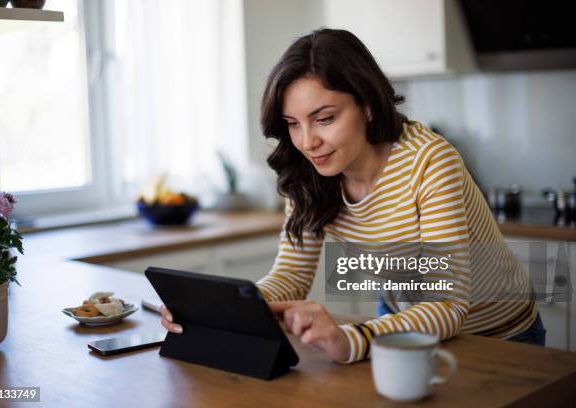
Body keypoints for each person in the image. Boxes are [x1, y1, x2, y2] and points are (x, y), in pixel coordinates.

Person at [161, 28, 544, 363]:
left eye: (325, 119)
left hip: (500, 335)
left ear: (367, 104)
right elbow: (291, 275)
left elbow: (447, 306)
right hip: (401, 323)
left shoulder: (429, 161)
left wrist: (350, 338)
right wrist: (221, 311)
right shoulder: (309, 173)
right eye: (294, 124)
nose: (308, 142)